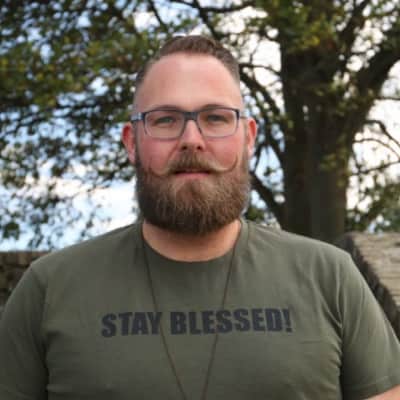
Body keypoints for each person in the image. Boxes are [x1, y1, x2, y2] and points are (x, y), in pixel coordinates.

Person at [0, 35, 399, 400]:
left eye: (216, 118)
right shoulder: (48, 289)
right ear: (131, 142)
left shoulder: (330, 277)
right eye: (165, 120)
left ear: (248, 138)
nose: (191, 139)